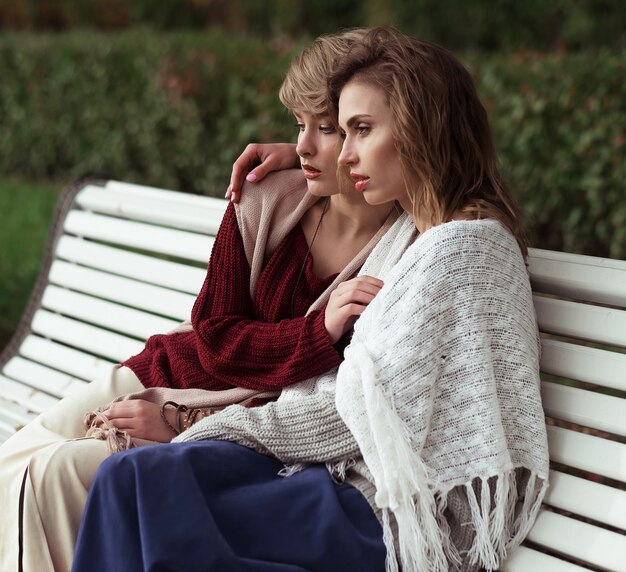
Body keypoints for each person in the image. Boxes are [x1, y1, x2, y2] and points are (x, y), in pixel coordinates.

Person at [72, 28, 549, 572]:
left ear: (423, 128)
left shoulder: (463, 247)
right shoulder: (419, 235)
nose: (346, 154)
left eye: (359, 130)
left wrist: (189, 424)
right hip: (324, 471)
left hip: (378, 505)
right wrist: (307, 153)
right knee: (125, 478)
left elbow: (362, 417)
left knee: (145, 495)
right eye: (337, 132)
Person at [0, 30, 400, 572]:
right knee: (11, 463)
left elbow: (318, 400)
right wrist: (313, 335)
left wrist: (181, 422)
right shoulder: (265, 197)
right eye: (298, 126)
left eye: (327, 129)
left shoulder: (400, 248)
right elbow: (213, 333)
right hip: (166, 370)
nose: (304, 145)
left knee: (54, 478)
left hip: (228, 424)